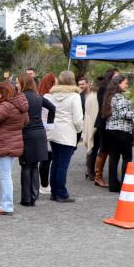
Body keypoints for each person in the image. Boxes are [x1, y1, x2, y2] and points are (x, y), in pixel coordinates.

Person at [0, 80, 29, 215]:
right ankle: (6, 204)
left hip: (3, 143)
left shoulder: (7, 105)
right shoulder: (20, 102)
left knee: (5, 176)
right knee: (7, 175)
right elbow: (26, 121)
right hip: (14, 142)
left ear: (3, 91)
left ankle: (7, 206)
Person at [101, 75, 134, 193]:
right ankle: (125, 184)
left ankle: (113, 185)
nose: (127, 85)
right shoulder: (119, 98)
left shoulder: (109, 97)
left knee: (114, 157)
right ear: (118, 84)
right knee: (127, 157)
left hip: (110, 130)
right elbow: (126, 114)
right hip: (122, 131)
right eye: (125, 83)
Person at [44, 71, 84, 203]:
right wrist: (79, 130)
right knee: (63, 165)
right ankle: (61, 193)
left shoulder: (51, 95)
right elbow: (78, 119)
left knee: (55, 162)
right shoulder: (74, 96)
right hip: (67, 133)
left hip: (54, 132)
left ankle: (54, 192)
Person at [17, 73, 54, 207]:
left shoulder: (21, 97)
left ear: (23, 83)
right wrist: (50, 124)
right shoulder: (39, 96)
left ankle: (26, 199)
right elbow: (52, 108)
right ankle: (34, 196)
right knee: (34, 166)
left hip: (27, 133)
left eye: (18, 83)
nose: (16, 85)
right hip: (40, 133)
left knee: (26, 166)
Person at [92, 68, 119, 187]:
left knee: (108, 149)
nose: (119, 78)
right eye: (117, 76)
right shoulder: (104, 89)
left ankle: (101, 176)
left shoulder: (112, 89)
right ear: (111, 77)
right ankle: (98, 176)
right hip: (104, 123)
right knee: (103, 149)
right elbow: (104, 106)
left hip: (109, 122)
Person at [36, 73, 57, 195]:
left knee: (45, 159)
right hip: (49, 128)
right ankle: (44, 185)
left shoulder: (41, 96)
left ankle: (44, 184)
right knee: (47, 159)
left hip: (42, 128)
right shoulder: (49, 97)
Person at [81, 75, 100, 180]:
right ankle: (91, 171)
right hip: (94, 125)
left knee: (92, 148)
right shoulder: (96, 96)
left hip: (89, 124)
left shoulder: (90, 95)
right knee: (94, 148)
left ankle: (89, 170)